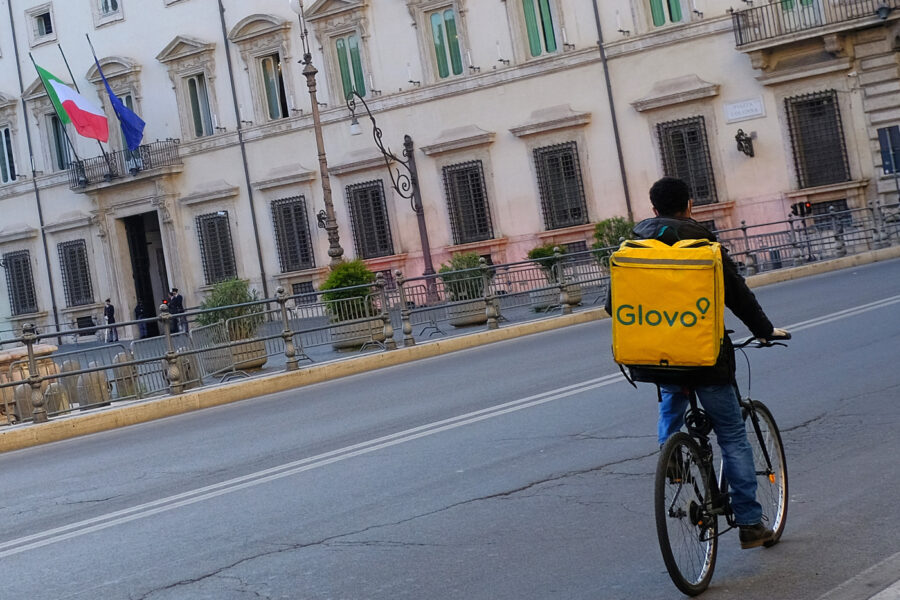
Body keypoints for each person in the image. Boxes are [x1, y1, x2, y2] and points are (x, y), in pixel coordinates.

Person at [607, 176, 789, 549]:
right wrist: (765, 330)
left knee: (671, 396)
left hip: (657, 358)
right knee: (733, 436)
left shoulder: (633, 250)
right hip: (706, 361)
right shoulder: (707, 250)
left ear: (654, 210)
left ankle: (671, 453)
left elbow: (614, 305)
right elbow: (739, 299)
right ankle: (750, 524)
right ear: (689, 206)